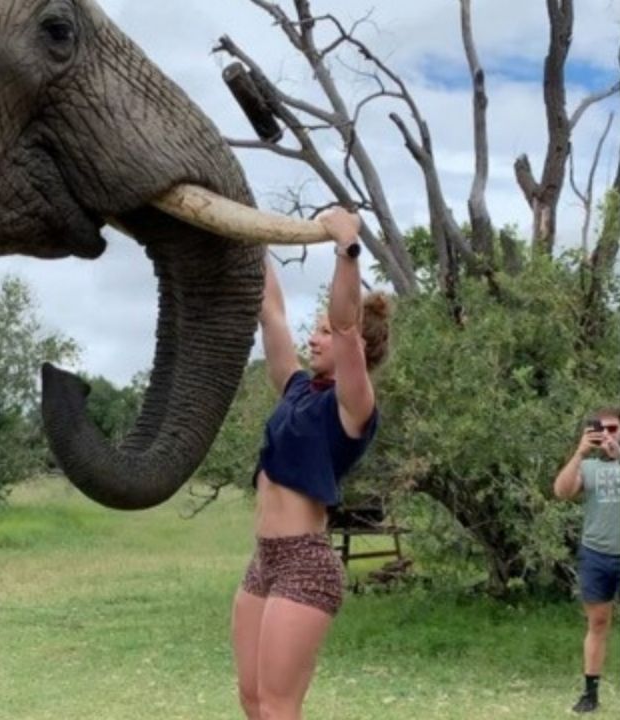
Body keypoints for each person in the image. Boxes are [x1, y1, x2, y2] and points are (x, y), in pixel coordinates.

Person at [232, 208, 391, 720]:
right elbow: (271, 311)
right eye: (316, 330)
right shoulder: (296, 389)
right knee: (253, 700)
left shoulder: (353, 407)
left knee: (279, 706)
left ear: (358, 349)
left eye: (323, 331)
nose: (316, 336)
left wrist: (346, 247)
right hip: (265, 560)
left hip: (305, 563)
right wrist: (251, 229)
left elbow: (347, 325)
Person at [553, 406, 620, 714]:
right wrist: (579, 453)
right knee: (597, 622)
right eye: (601, 429)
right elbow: (562, 491)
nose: (607, 435)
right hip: (597, 554)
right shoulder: (590, 466)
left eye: (613, 428)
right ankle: (590, 694)